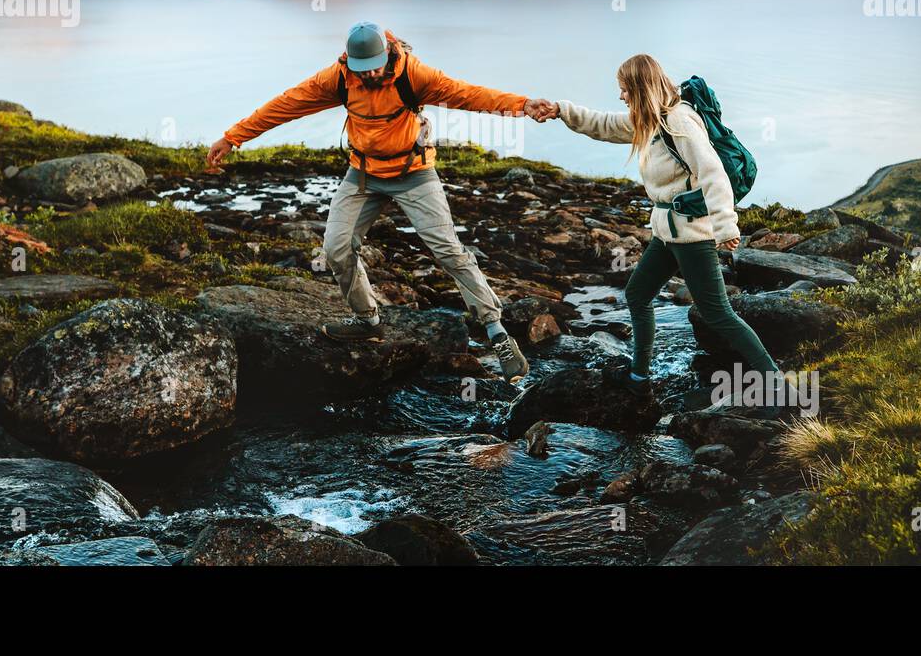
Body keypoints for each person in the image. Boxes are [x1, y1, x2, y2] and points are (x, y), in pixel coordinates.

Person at [207, 21, 554, 383]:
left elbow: (468, 94)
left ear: (387, 54)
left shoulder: (414, 75)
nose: (369, 73)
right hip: (364, 176)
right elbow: (286, 104)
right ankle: (367, 320)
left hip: (414, 173)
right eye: (362, 68)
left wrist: (523, 105)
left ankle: (496, 330)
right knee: (337, 249)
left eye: (374, 65)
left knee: (448, 250)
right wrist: (233, 138)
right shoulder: (340, 78)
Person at [536, 54, 780, 396]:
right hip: (667, 233)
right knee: (638, 294)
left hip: (693, 235)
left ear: (639, 88)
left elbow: (713, 173)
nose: (621, 97)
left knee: (717, 314)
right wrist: (561, 110)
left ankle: (776, 384)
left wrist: (727, 227)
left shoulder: (678, 121)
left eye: (624, 90)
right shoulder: (651, 120)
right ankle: (639, 377)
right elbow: (603, 125)